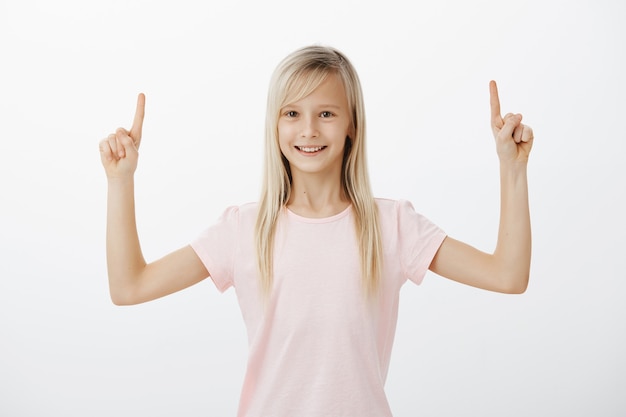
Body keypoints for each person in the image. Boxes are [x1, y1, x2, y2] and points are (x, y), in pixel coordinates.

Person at [99, 45, 533, 417]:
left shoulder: (392, 225)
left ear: (351, 126)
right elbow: (130, 286)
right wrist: (121, 182)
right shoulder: (243, 229)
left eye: (326, 112)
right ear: (275, 125)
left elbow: (507, 276)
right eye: (292, 113)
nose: (308, 129)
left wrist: (512, 169)